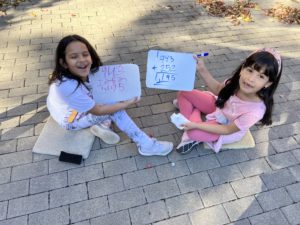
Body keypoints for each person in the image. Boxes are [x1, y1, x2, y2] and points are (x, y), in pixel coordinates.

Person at [46, 34, 173, 156]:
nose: (82, 60)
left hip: (70, 107)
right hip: (71, 120)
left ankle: (103, 125)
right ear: (63, 63)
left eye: (85, 54)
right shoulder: (68, 86)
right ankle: (146, 145)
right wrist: (125, 103)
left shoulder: (75, 74)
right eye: (74, 57)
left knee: (111, 97)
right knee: (115, 108)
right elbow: (98, 110)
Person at [173, 48, 282, 154]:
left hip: (225, 127)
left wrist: (196, 125)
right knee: (183, 92)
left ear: (268, 83)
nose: (251, 78)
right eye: (250, 70)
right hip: (219, 108)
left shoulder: (255, 111)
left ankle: (193, 116)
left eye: (261, 76)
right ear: (242, 69)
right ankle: (192, 117)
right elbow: (217, 89)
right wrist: (202, 69)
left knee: (193, 133)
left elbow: (227, 130)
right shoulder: (234, 84)